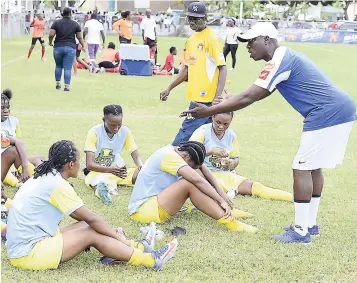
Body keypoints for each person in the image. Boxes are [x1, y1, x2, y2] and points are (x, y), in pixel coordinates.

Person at [182, 22, 356, 244]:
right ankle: (309, 225)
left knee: (301, 167)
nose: (247, 47)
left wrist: (209, 110)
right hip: (337, 109)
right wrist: (224, 103)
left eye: (251, 41)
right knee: (311, 167)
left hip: (326, 113)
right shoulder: (285, 57)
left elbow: (249, 97)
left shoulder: (280, 60)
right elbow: (250, 95)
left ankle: (301, 232)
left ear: (266, 40)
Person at [5, 140, 178, 271]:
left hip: (27, 242)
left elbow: (83, 218)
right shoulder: (57, 185)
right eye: (79, 161)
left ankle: (135, 248)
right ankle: (151, 260)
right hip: (27, 254)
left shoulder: (45, 176)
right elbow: (92, 219)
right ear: (71, 165)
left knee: (87, 226)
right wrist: (116, 236)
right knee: (91, 232)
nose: (80, 165)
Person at [128, 141, 257, 233]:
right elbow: (197, 180)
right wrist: (220, 200)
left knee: (197, 174)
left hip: (155, 203)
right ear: (186, 157)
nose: (193, 169)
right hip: (142, 211)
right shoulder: (169, 156)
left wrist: (222, 194)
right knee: (190, 183)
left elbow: (205, 173)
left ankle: (224, 210)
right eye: (191, 165)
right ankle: (230, 221)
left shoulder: (179, 151)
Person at [159, 2, 227, 146]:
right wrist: (169, 87)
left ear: (205, 18)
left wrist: (218, 97)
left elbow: (222, 67)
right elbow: (187, 70)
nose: (193, 22)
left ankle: (169, 158)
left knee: (185, 135)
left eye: (197, 19)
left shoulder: (211, 38)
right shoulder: (191, 40)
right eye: (190, 18)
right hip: (197, 97)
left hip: (207, 99)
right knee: (206, 138)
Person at [189, 112, 293, 201]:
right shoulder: (202, 132)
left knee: (254, 187)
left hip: (223, 175)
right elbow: (188, 155)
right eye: (218, 122)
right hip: (202, 174)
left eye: (226, 124)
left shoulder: (231, 135)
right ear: (212, 117)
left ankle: (295, 198)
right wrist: (210, 151)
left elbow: (235, 159)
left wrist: (230, 164)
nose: (221, 127)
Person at [84, 105, 143, 204]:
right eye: (112, 125)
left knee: (141, 174)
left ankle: (109, 183)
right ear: (104, 120)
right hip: (96, 171)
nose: (116, 128)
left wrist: (141, 165)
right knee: (96, 181)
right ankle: (101, 191)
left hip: (116, 171)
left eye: (119, 124)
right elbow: (90, 165)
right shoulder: (94, 132)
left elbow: (135, 154)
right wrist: (111, 170)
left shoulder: (125, 131)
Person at [1, 90, 43, 188]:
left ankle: (41, 180)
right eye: (2, 108)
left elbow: (20, 143)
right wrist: (24, 167)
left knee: (39, 158)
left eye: (8, 107)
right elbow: (17, 143)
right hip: (5, 161)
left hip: (13, 160)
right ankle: (20, 184)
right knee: (14, 151)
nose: (6, 110)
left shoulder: (14, 121)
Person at [49, 7, 86, 91]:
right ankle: (67, 86)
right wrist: (83, 46)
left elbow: (51, 34)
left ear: (62, 14)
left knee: (58, 66)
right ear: (70, 14)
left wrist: (50, 42)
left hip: (58, 47)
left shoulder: (56, 23)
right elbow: (80, 37)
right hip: (70, 47)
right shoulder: (75, 24)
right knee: (68, 68)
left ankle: (58, 84)